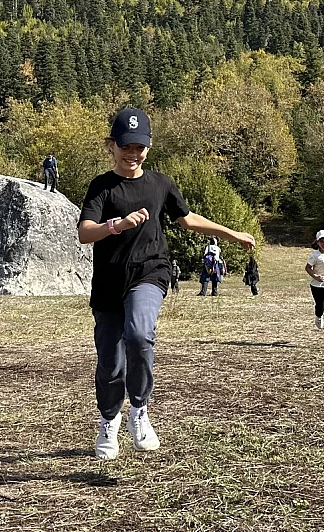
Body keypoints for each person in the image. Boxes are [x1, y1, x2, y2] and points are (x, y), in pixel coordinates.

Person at [78, 108, 256, 460]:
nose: (133, 154)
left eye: (140, 147)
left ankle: (139, 410)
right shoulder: (102, 186)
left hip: (150, 273)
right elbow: (85, 233)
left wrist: (230, 233)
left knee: (140, 333)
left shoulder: (160, 184)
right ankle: (110, 419)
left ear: (149, 146)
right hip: (109, 283)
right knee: (111, 363)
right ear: (110, 146)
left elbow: (187, 219)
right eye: (126, 146)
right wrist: (117, 225)